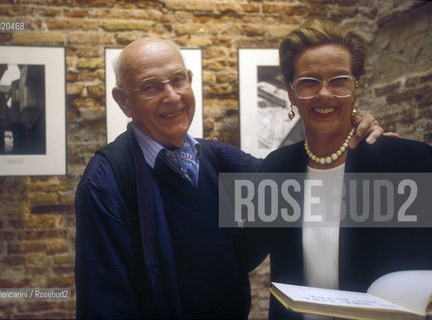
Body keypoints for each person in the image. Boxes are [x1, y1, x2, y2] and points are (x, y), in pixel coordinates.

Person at [74, 37, 386, 319]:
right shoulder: (108, 181)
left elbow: (292, 180)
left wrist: (352, 136)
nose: (171, 96)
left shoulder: (212, 158)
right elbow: (103, 304)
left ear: (190, 81)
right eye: (150, 87)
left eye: (178, 80)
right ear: (123, 101)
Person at [254, 19, 432, 319]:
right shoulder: (277, 168)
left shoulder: (407, 164)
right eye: (309, 81)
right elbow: (242, 253)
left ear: (355, 88)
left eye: (338, 80)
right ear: (291, 94)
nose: (324, 94)